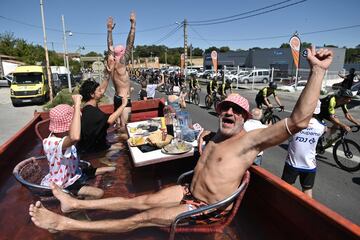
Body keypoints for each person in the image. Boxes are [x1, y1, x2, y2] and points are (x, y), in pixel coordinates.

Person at [29, 46, 333, 234]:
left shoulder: (250, 142)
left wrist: (316, 72)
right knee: (139, 200)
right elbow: (192, 137)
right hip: (188, 190)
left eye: (235, 110)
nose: (228, 112)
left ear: (243, 117)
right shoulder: (213, 137)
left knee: (144, 217)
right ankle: (69, 204)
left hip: (205, 207)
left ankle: (67, 224)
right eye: (224, 108)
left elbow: (297, 121)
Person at [41, 95, 114, 199]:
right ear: (68, 126)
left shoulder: (64, 137)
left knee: (110, 169)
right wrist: (77, 105)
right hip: (63, 185)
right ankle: (79, 206)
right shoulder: (52, 143)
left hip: (74, 174)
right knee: (99, 193)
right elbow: (75, 137)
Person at [281, 100, 326, 198]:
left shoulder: (295, 124)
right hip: (309, 165)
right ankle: (307, 211)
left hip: (292, 163)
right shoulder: (321, 127)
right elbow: (327, 131)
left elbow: (286, 137)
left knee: (285, 189)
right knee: (307, 191)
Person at [76, 77, 129, 154]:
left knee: (124, 138)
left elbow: (105, 122)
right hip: (93, 150)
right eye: (99, 91)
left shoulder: (89, 107)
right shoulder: (91, 111)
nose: (101, 92)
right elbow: (110, 120)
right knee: (125, 147)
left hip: (98, 143)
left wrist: (107, 75)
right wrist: (123, 105)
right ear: (92, 94)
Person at [106, 12, 136, 129]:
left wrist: (109, 30)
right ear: (123, 53)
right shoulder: (121, 64)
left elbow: (109, 45)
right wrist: (133, 25)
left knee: (118, 125)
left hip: (116, 97)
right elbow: (130, 43)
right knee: (125, 127)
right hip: (124, 99)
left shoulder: (111, 62)